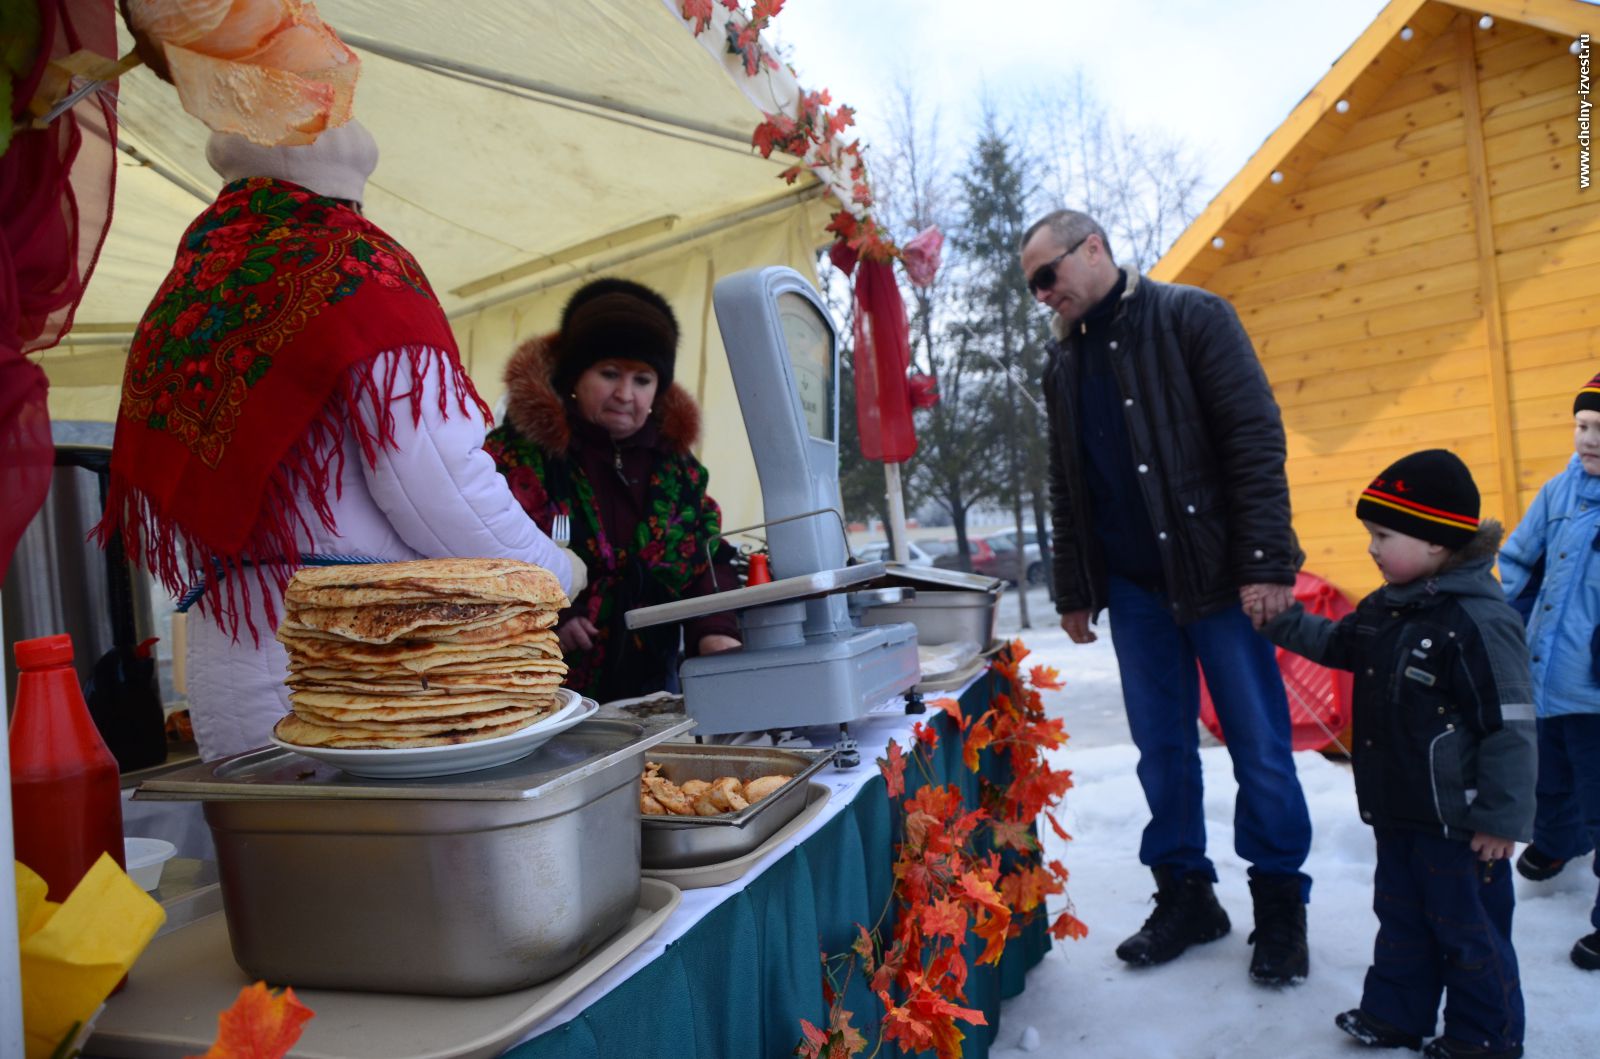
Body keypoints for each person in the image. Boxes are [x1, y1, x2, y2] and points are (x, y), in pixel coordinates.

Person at [96, 120, 583, 760]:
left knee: (268, 855)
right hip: (356, 654)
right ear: (347, 194)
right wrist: (553, 569)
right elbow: (436, 483)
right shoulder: (357, 270)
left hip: (229, 650)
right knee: (376, 857)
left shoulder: (194, 285)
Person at [1019, 209, 1312, 985]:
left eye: (1048, 274)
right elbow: (1067, 484)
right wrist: (1075, 586)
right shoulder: (1063, 365)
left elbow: (1255, 437)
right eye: (1032, 285)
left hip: (1223, 577)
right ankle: (1187, 896)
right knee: (1163, 751)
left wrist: (1265, 562)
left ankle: (1280, 904)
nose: (1043, 293)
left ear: (1094, 249)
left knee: (1261, 748)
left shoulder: (1193, 316)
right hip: (1135, 593)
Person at [1262, 450, 1535, 1059]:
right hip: (1398, 809)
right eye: (1371, 535)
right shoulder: (1386, 606)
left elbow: (1510, 726)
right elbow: (1337, 643)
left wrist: (1500, 817)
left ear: (1437, 543)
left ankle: (1483, 1036)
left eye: (1383, 535)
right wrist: (1280, 621)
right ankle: (1396, 1014)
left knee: (1470, 934)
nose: (1371, 548)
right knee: (1402, 918)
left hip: (1462, 823)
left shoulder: (1478, 620)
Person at [485, 278, 739, 704]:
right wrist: (551, 616)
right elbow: (487, 557)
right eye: (609, 374)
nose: (625, 394)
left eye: (642, 379)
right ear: (574, 376)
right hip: (541, 695)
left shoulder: (677, 472)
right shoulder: (515, 459)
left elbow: (704, 559)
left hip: (652, 694)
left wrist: (717, 632)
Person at [1498, 369, 1600, 973]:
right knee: (1548, 778)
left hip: (1596, 690)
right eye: (1584, 425)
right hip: (1544, 675)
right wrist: (1508, 622)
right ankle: (1561, 843)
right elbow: (1518, 560)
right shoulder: (1557, 492)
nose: (1590, 439)